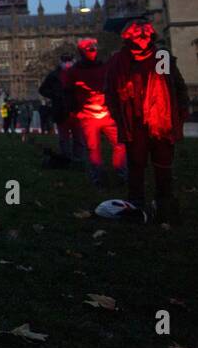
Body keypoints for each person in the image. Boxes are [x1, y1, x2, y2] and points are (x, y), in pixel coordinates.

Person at [105, 17, 189, 224]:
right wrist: (119, 116)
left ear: (152, 34)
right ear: (127, 36)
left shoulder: (160, 57)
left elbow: (176, 86)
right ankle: (136, 203)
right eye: (137, 32)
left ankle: (164, 202)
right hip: (134, 122)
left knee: (163, 163)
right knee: (136, 163)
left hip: (160, 121)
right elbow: (110, 93)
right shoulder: (119, 60)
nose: (142, 35)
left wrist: (181, 111)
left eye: (145, 31)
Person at [65, 37, 126, 187]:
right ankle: (97, 176)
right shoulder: (74, 72)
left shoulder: (105, 68)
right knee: (93, 148)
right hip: (88, 116)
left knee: (120, 144)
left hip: (108, 114)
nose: (93, 50)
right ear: (81, 51)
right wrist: (74, 111)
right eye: (88, 48)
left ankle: (121, 172)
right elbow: (67, 93)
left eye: (94, 47)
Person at [38, 55, 76, 159]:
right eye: (65, 61)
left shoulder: (77, 73)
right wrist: (54, 95)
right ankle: (66, 157)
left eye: (70, 61)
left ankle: (78, 158)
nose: (68, 64)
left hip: (75, 109)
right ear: (60, 62)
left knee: (78, 137)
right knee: (64, 136)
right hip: (60, 109)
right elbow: (42, 89)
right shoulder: (54, 75)